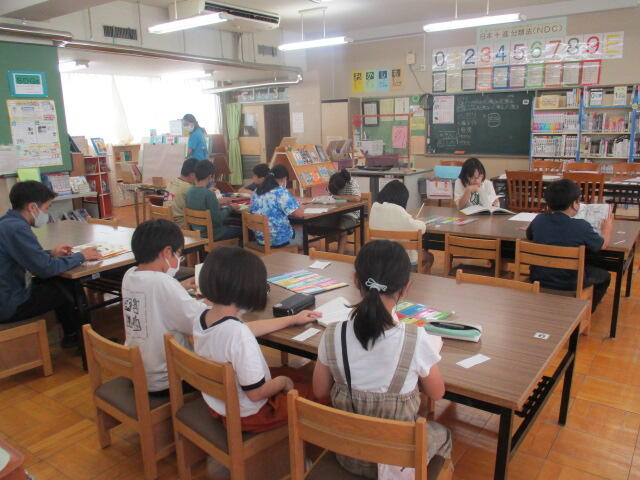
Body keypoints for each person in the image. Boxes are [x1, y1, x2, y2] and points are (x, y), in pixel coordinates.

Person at [312, 240, 451, 477]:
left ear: (356, 280)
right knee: (444, 434)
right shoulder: (416, 339)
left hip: (349, 456)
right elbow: (437, 394)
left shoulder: (333, 333)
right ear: (406, 288)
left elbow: (319, 390)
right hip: (397, 460)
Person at [193, 246, 323, 432]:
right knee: (321, 393)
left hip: (218, 403)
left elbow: (244, 330)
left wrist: (291, 319)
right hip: (252, 414)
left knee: (295, 373)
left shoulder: (203, 316)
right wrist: (283, 382)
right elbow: (256, 394)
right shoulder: (238, 335)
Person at [0, 181, 101, 347]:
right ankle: (87, 343)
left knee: (59, 282)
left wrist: (50, 254)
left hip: (8, 293)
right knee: (69, 288)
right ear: (32, 207)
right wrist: (81, 256)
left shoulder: (7, 222)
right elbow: (46, 268)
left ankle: (73, 336)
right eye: (46, 208)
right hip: (9, 303)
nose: (46, 214)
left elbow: (27, 256)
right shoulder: (17, 229)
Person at [122, 219, 206, 394]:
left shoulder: (129, 275)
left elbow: (152, 300)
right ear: (167, 252)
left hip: (136, 371)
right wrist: (214, 299)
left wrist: (179, 287)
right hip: (168, 380)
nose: (179, 260)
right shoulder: (163, 283)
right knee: (226, 367)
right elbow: (198, 322)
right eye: (179, 254)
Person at [526, 178, 612, 311]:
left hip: (538, 279)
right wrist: (607, 229)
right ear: (574, 204)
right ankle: (585, 313)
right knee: (605, 276)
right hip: (569, 283)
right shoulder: (582, 226)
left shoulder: (539, 220)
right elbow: (603, 245)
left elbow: (529, 235)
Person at [368, 180, 433, 273]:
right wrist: (416, 221)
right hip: (401, 260)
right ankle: (419, 279)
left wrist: (409, 220)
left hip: (378, 257)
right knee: (430, 257)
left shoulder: (375, 207)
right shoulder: (398, 210)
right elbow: (421, 228)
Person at [249, 165, 306, 249]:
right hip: (278, 241)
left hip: (260, 239)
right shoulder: (280, 191)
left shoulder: (256, 191)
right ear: (284, 179)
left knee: (295, 229)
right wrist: (300, 206)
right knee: (310, 238)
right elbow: (300, 214)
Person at [186, 160, 241, 241]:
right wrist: (230, 207)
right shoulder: (209, 194)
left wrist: (217, 204)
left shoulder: (189, 191)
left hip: (196, 232)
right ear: (210, 176)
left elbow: (202, 208)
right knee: (243, 230)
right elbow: (218, 220)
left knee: (231, 222)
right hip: (212, 234)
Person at [166, 157, 199, 228]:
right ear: (192, 174)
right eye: (197, 175)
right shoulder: (189, 188)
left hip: (167, 222)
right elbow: (198, 206)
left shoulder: (171, 182)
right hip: (181, 225)